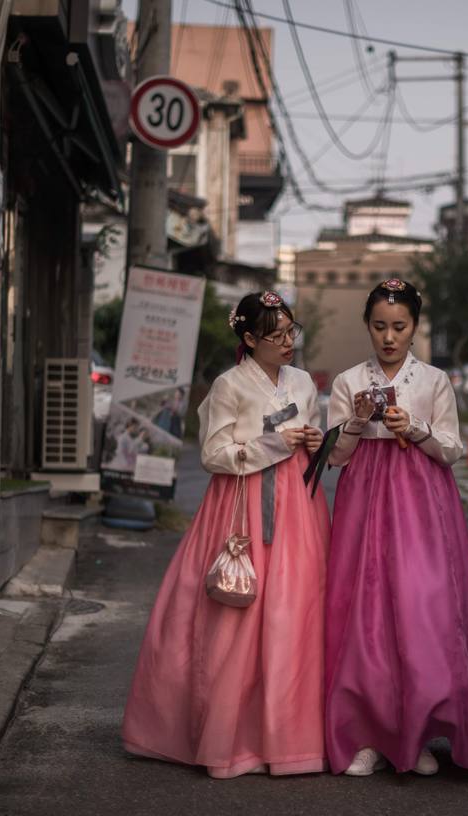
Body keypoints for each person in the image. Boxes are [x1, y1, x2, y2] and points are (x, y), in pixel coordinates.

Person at [121, 291, 329, 778]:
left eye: (291, 332)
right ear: (250, 338)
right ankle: (233, 739)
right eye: (276, 336)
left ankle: (289, 738)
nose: (287, 344)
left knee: (295, 614)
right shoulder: (229, 385)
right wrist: (276, 441)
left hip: (299, 505)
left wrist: (313, 440)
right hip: (242, 508)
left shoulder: (301, 381)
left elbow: (311, 430)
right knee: (237, 616)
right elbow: (213, 454)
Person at [320, 277, 468, 777]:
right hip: (364, 505)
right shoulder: (350, 380)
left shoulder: (435, 381)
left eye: (399, 326)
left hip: (421, 504)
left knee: (422, 611)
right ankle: (370, 737)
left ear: (416, 326)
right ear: (368, 328)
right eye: (379, 326)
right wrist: (355, 424)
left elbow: (452, 450)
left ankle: (414, 734)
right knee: (366, 615)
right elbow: (333, 457)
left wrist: (414, 430)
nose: (389, 336)